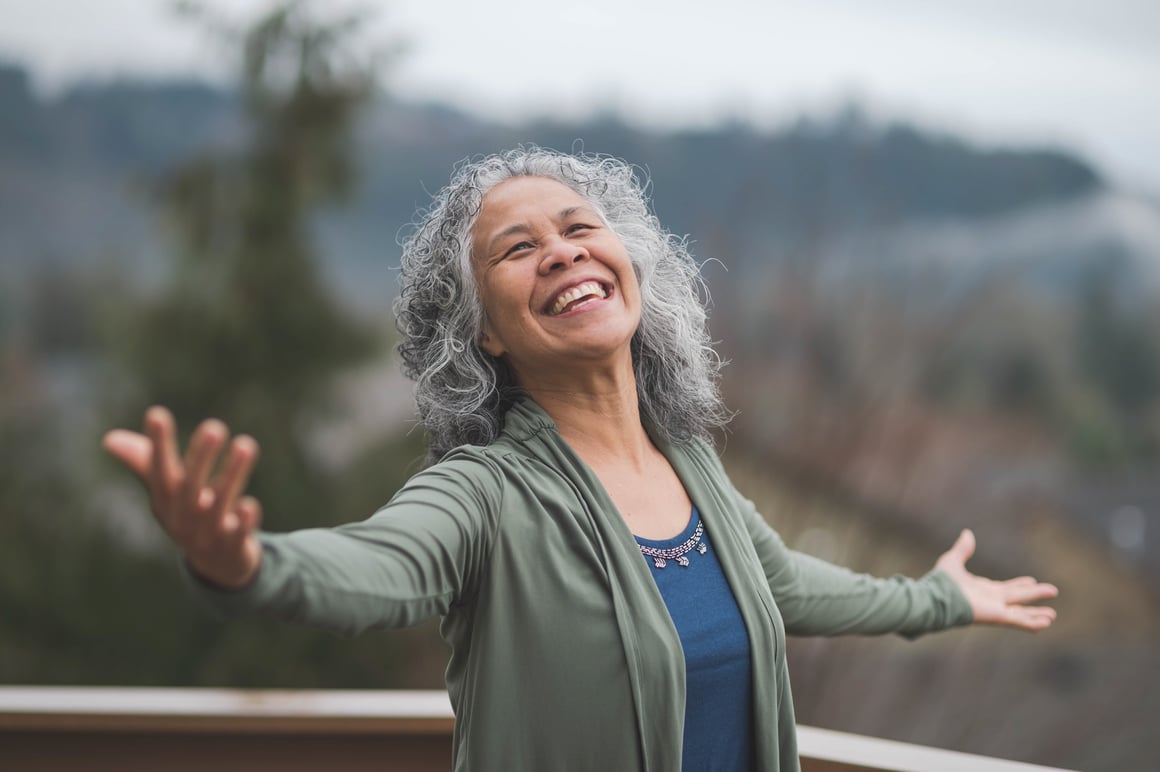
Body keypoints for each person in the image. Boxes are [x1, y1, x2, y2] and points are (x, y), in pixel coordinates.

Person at [103, 146, 1059, 772]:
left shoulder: (691, 464)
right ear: (482, 336)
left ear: (630, 264)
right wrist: (248, 563)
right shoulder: (483, 496)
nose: (562, 252)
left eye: (578, 228)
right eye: (517, 249)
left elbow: (781, 584)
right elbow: (378, 569)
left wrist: (937, 598)